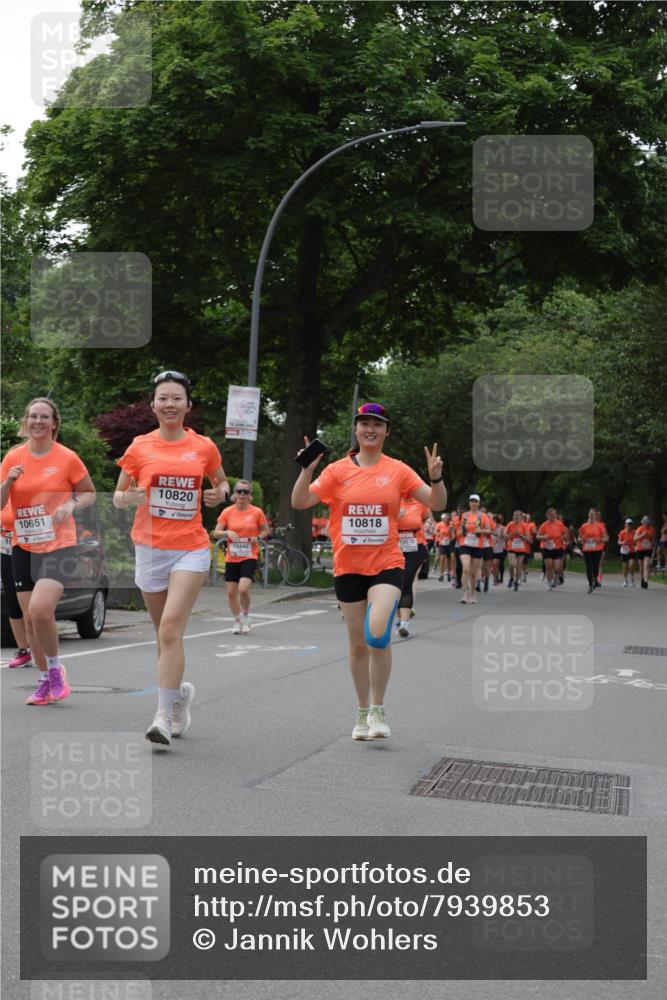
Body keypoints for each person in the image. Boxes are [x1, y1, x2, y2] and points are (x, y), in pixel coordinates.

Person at [292, 402, 446, 740]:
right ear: (356, 430)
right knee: (358, 645)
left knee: (377, 634)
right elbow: (300, 501)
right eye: (364, 423)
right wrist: (307, 470)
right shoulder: (337, 471)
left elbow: (437, 503)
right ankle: (363, 712)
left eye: (377, 424)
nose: (370, 429)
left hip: (386, 563)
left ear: (386, 431)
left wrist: (435, 477)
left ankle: (379, 707)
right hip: (348, 567)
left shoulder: (399, 470)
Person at [113, 371, 229, 747]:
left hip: (190, 548)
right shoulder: (139, 447)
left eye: (177, 398)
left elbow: (222, 483)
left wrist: (220, 494)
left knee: (170, 629)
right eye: (163, 398)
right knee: (163, 636)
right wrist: (132, 497)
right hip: (149, 548)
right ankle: (178, 697)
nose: (170, 404)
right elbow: (118, 496)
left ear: (187, 405)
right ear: (153, 405)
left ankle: (161, 716)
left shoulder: (203, 447)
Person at [0, 398, 96, 704]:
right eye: (33, 416)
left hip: (59, 545)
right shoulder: (13, 457)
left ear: (54, 423)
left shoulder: (67, 457)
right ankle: (44, 680)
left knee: (41, 610)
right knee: (30, 619)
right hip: (23, 545)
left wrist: (70, 504)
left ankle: (55, 671)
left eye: (44, 416)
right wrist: (8, 482)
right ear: (26, 421)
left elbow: (89, 493)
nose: (38, 421)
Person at [212, 480, 269, 634]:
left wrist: (258, 537)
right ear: (234, 494)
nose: (242, 494)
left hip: (249, 554)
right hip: (232, 556)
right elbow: (215, 532)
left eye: (246, 492)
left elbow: (265, 530)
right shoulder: (227, 512)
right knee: (231, 592)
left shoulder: (256, 512)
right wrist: (227, 532)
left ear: (250, 495)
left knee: (243, 589)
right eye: (239, 491)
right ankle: (237, 620)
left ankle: (245, 615)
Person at [1, 501, 33, 668]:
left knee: (30, 602)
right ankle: (23, 651)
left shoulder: (23, 494)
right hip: (5, 548)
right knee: (12, 599)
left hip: (27, 547)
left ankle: (38, 648)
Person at [395, 496, 429, 638]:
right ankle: (399, 620)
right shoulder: (393, 500)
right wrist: (395, 516)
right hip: (394, 547)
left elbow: (428, 519)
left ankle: (404, 623)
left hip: (415, 548)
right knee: (396, 584)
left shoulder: (421, 503)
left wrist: (428, 525)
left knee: (406, 581)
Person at [456, 494, 493, 604]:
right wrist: (461, 532)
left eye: (475, 501)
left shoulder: (483, 516)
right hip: (465, 544)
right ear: (469, 503)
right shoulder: (464, 516)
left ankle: (472, 594)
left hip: (477, 546)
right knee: (465, 568)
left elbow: (489, 531)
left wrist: (480, 531)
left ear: (478, 503)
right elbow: (459, 530)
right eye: (472, 501)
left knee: (473, 573)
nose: (473, 503)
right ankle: (464, 595)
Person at [577, 509, 609, 593]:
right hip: (587, 549)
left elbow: (606, 538)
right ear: (588, 515)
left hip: (597, 549)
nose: (591, 515)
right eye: (590, 514)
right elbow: (579, 538)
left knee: (595, 566)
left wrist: (599, 539)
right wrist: (582, 539)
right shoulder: (584, 526)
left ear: (595, 516)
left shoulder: (600, 526)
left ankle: (595, 579)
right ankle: (590, 585)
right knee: (588, 566)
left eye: (593, 514)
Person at [536, 509, 568, 590]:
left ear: (556, 515)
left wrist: (563, 537)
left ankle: (556, 577)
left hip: (557, 548)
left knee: (557, 568)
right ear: (547, 516)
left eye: (554, 515)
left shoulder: (560, 524)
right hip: (547, 548)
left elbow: (565, 534)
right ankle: (549, 583)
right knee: (549, 566)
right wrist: (543, 537)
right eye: (550, 515)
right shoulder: (544, 525)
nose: (552, 516)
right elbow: (537, 536)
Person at [504, 511, 531, 592]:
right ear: (513, 517)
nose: (516, 517)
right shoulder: (510, 524)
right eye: (515, 516)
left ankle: (516, 582)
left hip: (521, 548)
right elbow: (504, 534)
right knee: (511, 565)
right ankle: (511, 578)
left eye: (518, 516)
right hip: (511, 547)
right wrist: (511, 535)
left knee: (519, 566)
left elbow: (528, 538)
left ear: (521, 517)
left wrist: (521, 535)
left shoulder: (524, 525)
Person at [633, 516, 655, 589]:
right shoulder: (639, 529)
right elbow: (634, 539)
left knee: (647, 566)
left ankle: (646, 581)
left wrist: (652, 543)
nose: (647, 524)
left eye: (648, 523)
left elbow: (652, 538)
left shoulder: (652, 529)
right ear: (642, 523)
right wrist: (642, 535)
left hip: (648, 549)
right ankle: (642, 579)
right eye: (645, 523)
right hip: (640, 549)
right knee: (641, 567)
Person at [617, 518, 636, 588]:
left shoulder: (635, 532)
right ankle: (625, 580)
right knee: (625, 567)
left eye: (630, 524)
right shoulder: (622, 532)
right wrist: (622, 542)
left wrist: (635, 544)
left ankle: (632, 578)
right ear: (625, 525)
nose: (629, 525)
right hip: (624, 550)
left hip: (632, 551)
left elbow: (637, 541)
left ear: (632, 525)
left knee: (631, 565)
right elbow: (619, 542)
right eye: (628, 524)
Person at [435, 513, 453, 582]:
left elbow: (452, 534)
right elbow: (435, 531)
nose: (447, 519)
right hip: (442, 543)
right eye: (446, 518)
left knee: (449, 560)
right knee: (442, 559)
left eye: (448, 518)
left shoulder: (451, 524)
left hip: (449, 543)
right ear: (443, 519)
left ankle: (448, 573)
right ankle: (441, 575)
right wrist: (438, 534)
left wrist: (451, 530)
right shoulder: (439, 524)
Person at [491, 512, 506, 584]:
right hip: (491, 549)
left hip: (499, 549)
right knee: (493, 566)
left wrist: (501, 535)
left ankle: (495, 579)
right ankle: (495, 578)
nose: (492, 522)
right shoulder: (490, 528)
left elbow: (505, 538)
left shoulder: (502, 528)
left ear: (496, 521)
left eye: (493, 520)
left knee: (495, 564)